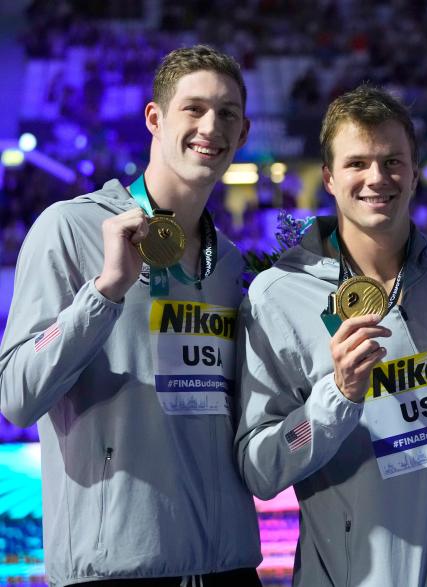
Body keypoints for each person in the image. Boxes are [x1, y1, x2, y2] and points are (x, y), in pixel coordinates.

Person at [235, 84, 427, 586]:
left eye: (393, 161)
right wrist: (336, 398)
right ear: (328, 178)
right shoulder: (278, 295)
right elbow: (260, 469)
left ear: (415, 173)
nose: (377, 178)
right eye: (357, 163)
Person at [0, 45, 262, 585]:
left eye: (227, 114)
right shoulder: (70, 230)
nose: (210, 126)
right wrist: (105, 292)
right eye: (193, 108)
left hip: (229, 566)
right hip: (119, 569)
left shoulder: (229, 262)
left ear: (242, 134)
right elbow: (17, 396)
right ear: (154, 118)